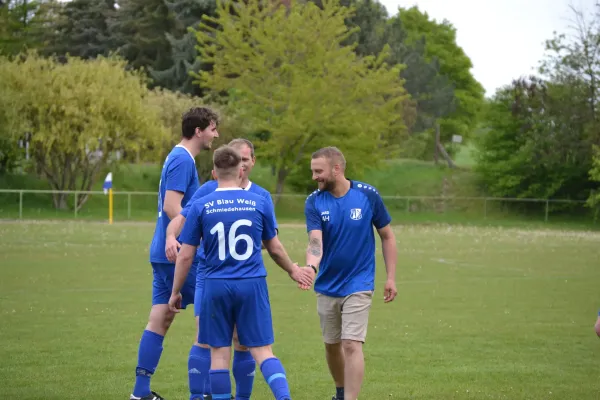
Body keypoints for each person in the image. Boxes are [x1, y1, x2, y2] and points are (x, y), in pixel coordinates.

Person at [168, 145, 314, 400]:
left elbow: (186, 255)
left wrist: (176, 291)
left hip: (215, 284)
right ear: (240, 171)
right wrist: (293, 270)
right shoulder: (259, 201)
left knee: (219, 354)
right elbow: (275, 247)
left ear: (214, 172)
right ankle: (284, 397)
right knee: (263, 351)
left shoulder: (202, 205)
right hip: (252, 283)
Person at [130, 107, 220, 400]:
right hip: (179, 250)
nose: (215, 135)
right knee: (209, 316)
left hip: (162, 250)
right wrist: (198, 231)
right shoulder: (183, 159)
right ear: (199, 130)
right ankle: (204, 393)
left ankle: (140, 392)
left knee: (161, 317)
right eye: (213, 128)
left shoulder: (176, 155)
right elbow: (172, 205)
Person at [303, 146, 398, 400]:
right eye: (313, 171)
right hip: (327, 284)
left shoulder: (368, 195)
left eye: (318, 171)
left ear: (337, 169)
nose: (315, 177)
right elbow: (315, 241)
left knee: (351, 344)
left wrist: (390, 277)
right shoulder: (314, 201)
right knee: (332, 346)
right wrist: (311, 267)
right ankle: (340, 391)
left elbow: (387, 235)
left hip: (359, 282)